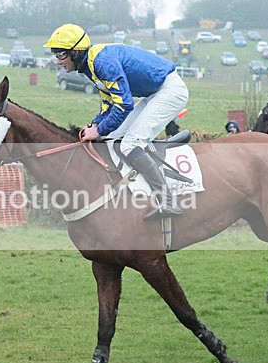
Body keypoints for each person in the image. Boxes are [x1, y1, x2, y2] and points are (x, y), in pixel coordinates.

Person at [44, 23, 190, 219]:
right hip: (154, 93)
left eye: (61, 54)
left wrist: (98, 130)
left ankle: (167, 201)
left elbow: (124, 105)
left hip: (169, 91)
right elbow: (109, 104)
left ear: (76, 52)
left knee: (130, 144)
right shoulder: (90, 65)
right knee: (112, 138)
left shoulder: (102, 63)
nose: (58, 61)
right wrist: (96, 125)